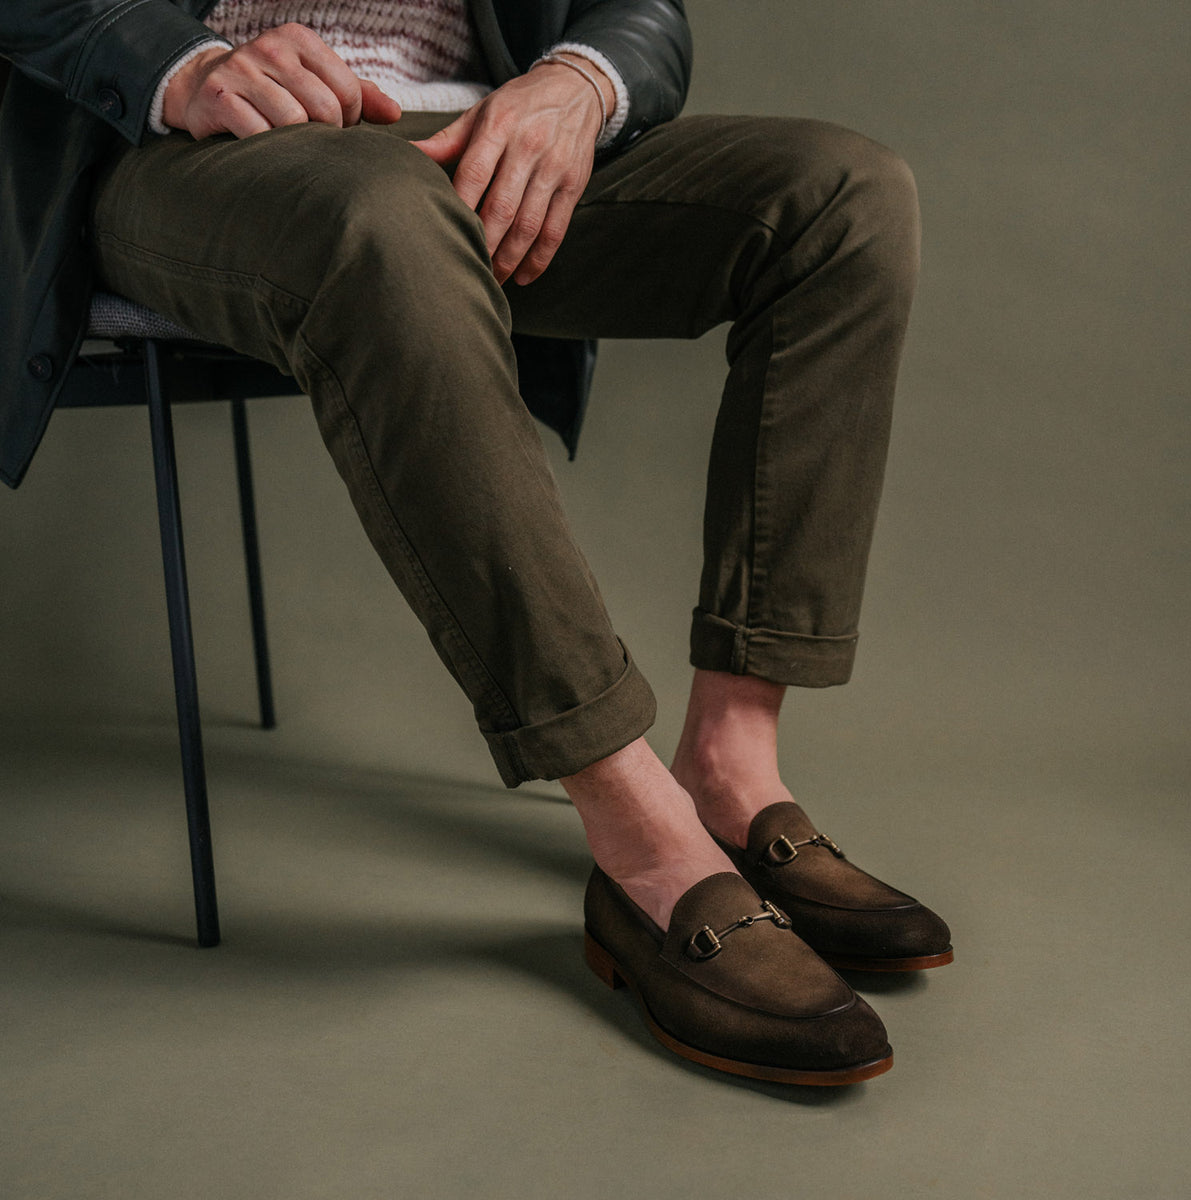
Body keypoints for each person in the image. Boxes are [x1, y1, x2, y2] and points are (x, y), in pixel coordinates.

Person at [0, 1, 951, 1086]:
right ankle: (643, 843)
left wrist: (580, 83)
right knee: (386, 218)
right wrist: (171, 61)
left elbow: (637, 8)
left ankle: (731, 772)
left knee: (846, 198)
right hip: (189, 144)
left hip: (467, 137)